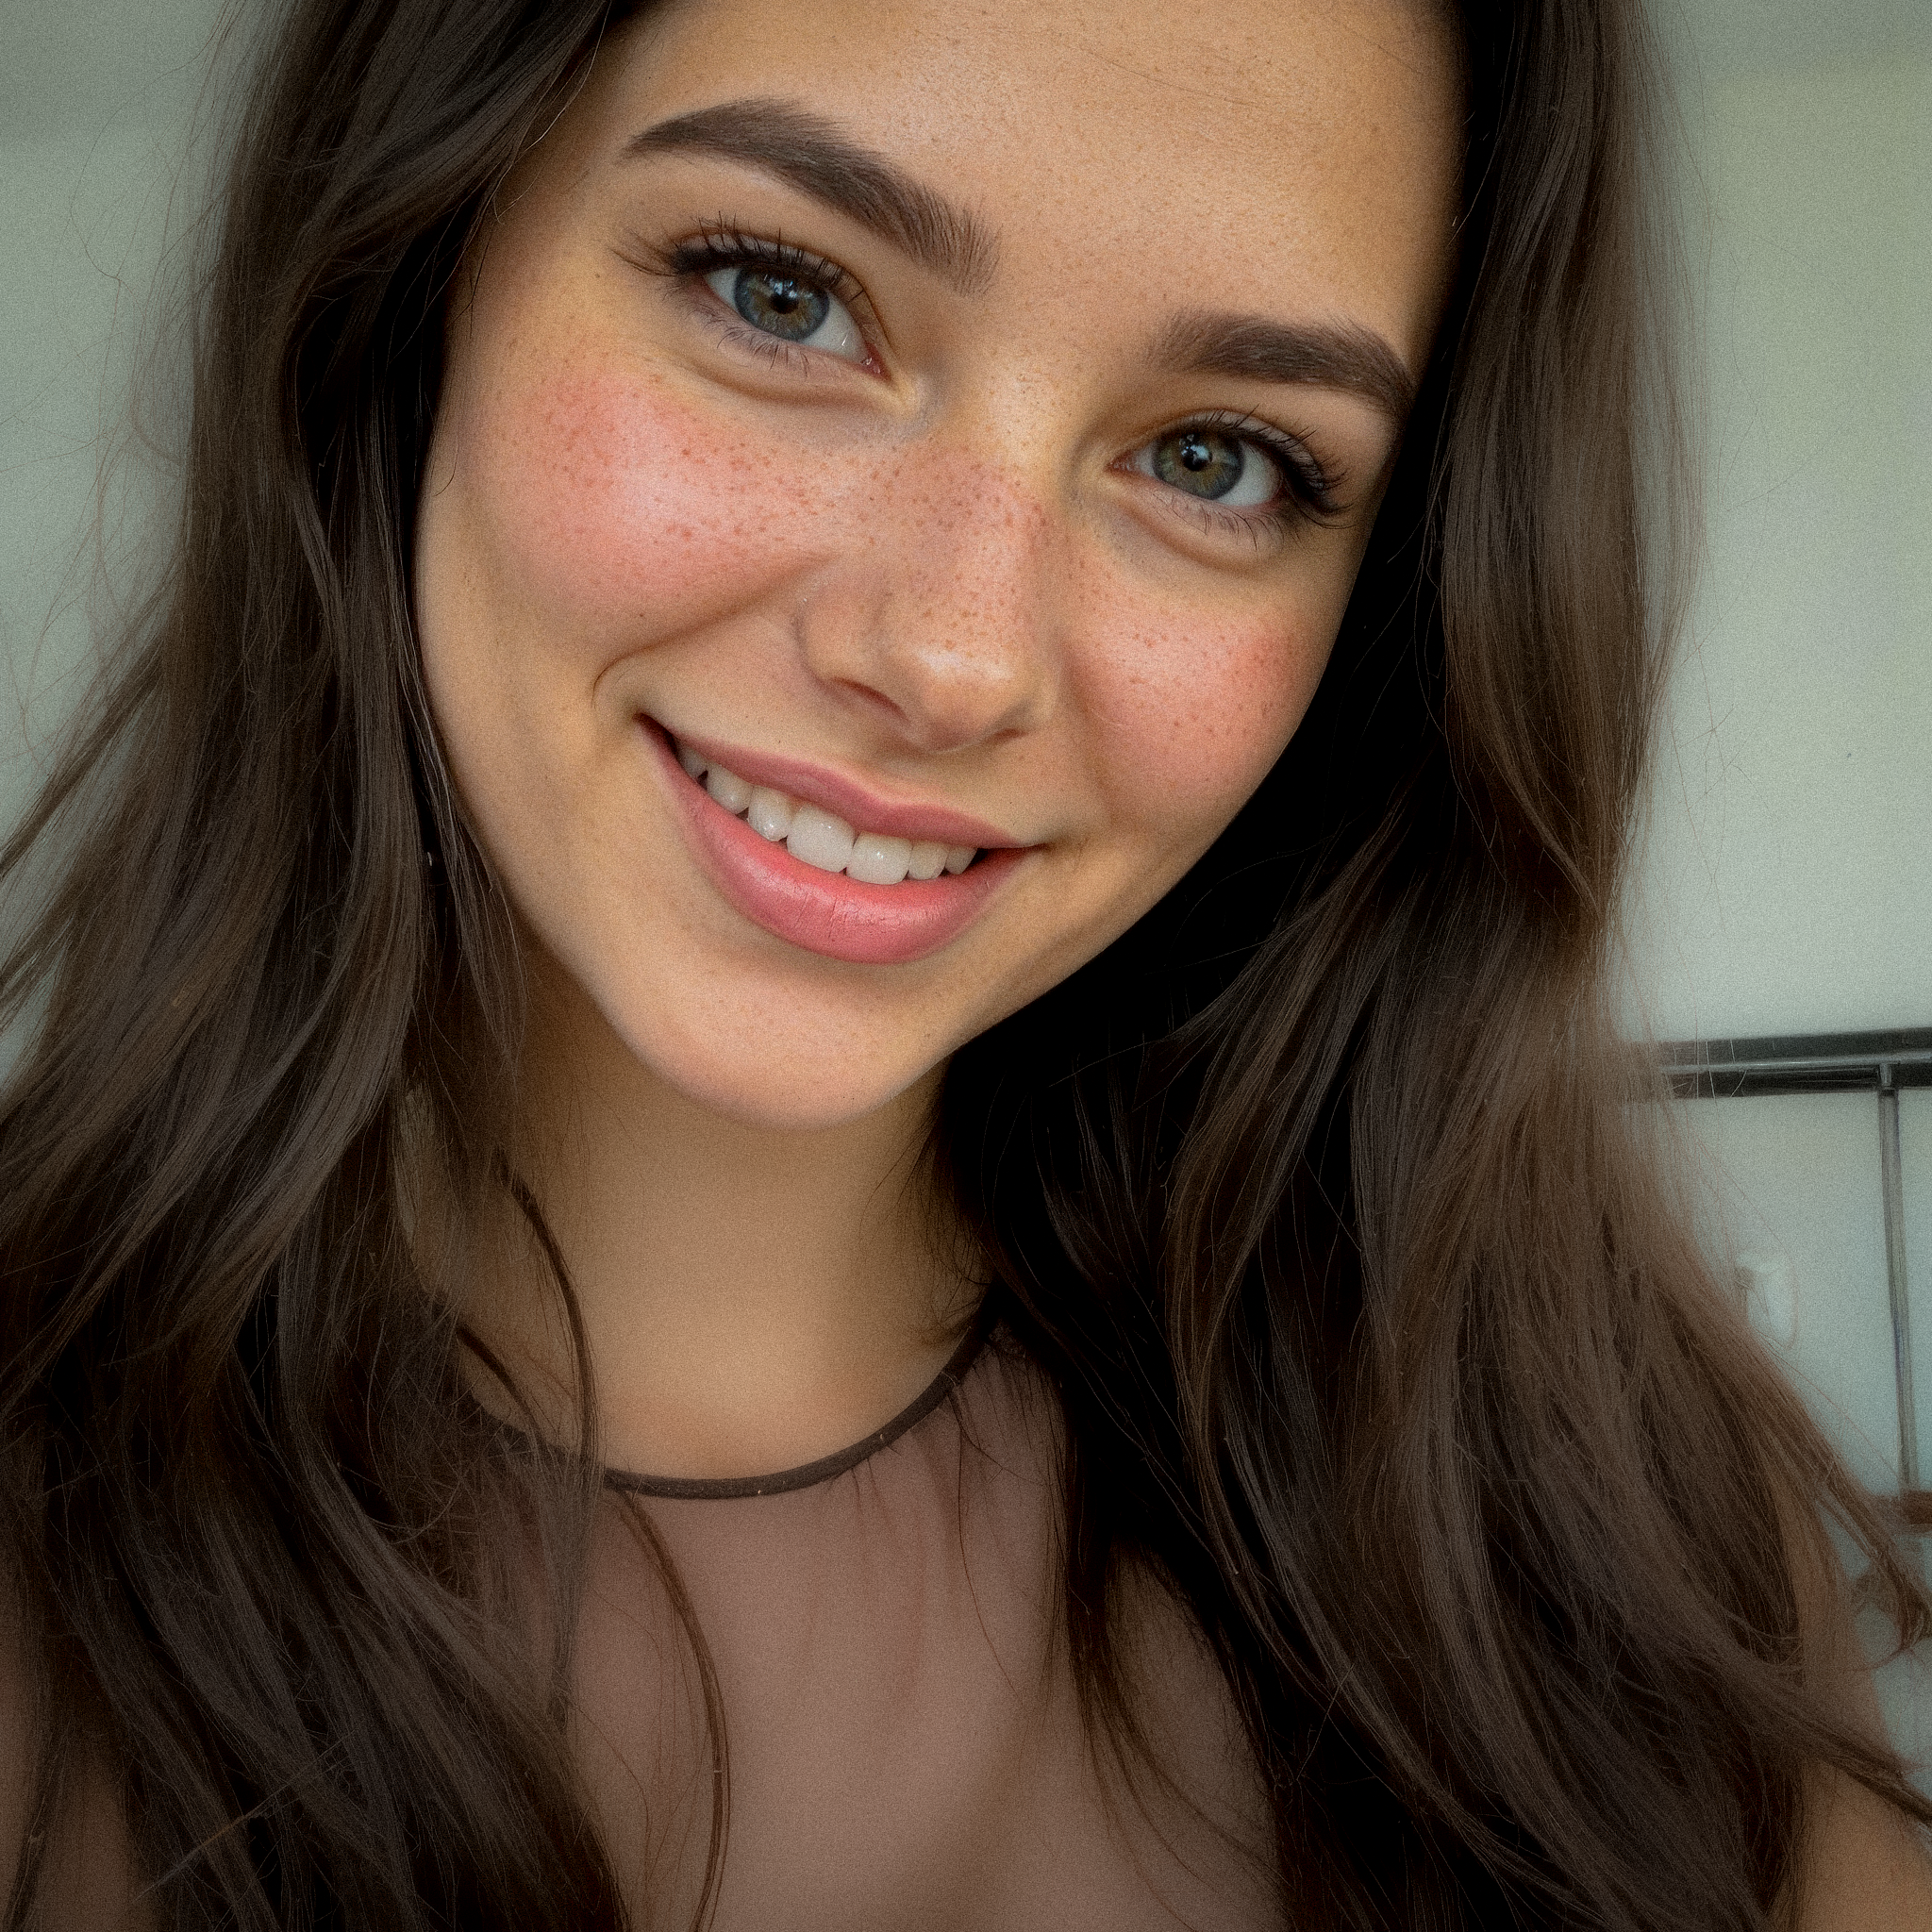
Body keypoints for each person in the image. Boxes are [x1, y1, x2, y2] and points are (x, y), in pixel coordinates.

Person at [0, 0, 1927, 1924]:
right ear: (415, 283)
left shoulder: (1597, 1544)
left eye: (1215, 456)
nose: (955, 654)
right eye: (777, 293)